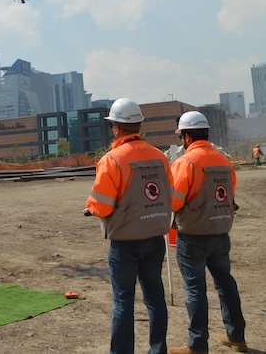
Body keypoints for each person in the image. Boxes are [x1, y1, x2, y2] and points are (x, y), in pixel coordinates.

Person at [86, 98, 173, 354]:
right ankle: (158, 350)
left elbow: (101, 204)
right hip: (155, 237)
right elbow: (170, 192)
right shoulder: (160, 157)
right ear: (139, 126)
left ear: (115, 127)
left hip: (125, 243)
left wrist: (91, 206)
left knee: (123, 301)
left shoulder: (112, 160)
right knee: (155, 297)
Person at [168, 112, 247, 354]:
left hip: (192, 235)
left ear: (187, 136)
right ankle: (237, 337)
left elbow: (174, 201)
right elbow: (229, 195)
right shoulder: (224, 161)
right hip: (221, 233)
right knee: (226, 284)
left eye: (181, 136)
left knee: (195, 289)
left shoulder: (186, 162)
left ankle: (197, 344)